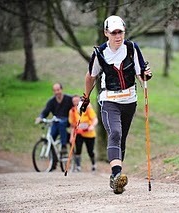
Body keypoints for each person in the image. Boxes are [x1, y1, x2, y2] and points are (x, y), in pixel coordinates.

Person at [79, 15, 152, 194]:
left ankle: (115, 180)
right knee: (115, 133)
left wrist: (146, 76)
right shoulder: (99, 53)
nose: (118, 36)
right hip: (109, 100)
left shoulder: (132, 48)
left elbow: (141, 74)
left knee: (122, 140)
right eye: (114, 33)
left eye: (121, 32)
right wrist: (86, 97)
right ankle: (117, 173)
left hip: (130, 100)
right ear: (106, 33)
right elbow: (91, 76)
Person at [35, 83, 73, 156]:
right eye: (55, 90)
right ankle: (53, 158)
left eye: (58, 90)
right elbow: (45, 111)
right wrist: (40, 117)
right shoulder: (51, 101)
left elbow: (77, 101)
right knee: (51, 137)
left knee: (61, 123)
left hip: (67, 120)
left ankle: (64, 146)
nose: (57, 92)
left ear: (61, 90)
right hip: (56, 120)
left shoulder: (68, 99)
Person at [69, 95, 98, 172]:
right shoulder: (72, 111)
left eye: (77, 101)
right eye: (74, 101)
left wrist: (92, 126)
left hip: (89, 133)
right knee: (78, 150)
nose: (75, 103)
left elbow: (95, 119)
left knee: (90, 151)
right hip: (79, 133)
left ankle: (93, 164)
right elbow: (72, 125)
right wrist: (71, 136)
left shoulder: (88, 109)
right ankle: (78, 166)